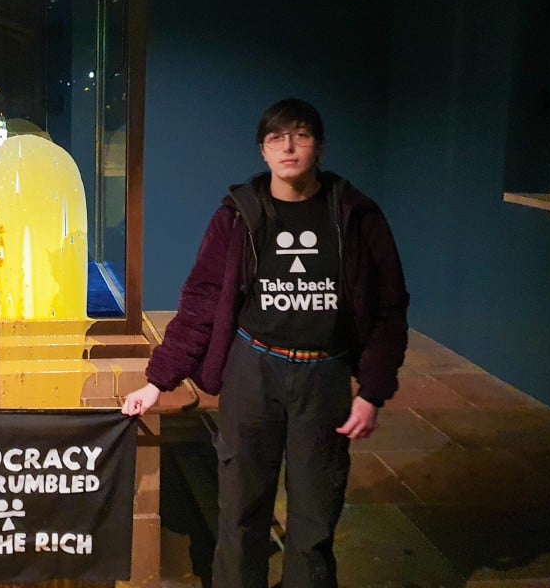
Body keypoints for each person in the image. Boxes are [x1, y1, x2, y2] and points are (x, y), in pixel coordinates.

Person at [122, 98, 408, 588]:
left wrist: (373, 391)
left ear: (319, 146)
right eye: (277, 138)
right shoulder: (240, 216)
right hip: (253, 372)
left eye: (300, 135)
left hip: (325, 377)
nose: (289, 147)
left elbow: (388, 307)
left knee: (315, 518)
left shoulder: (356, 216)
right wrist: (159, 380)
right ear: (263, 150)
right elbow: (203, 300)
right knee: (239, 512)